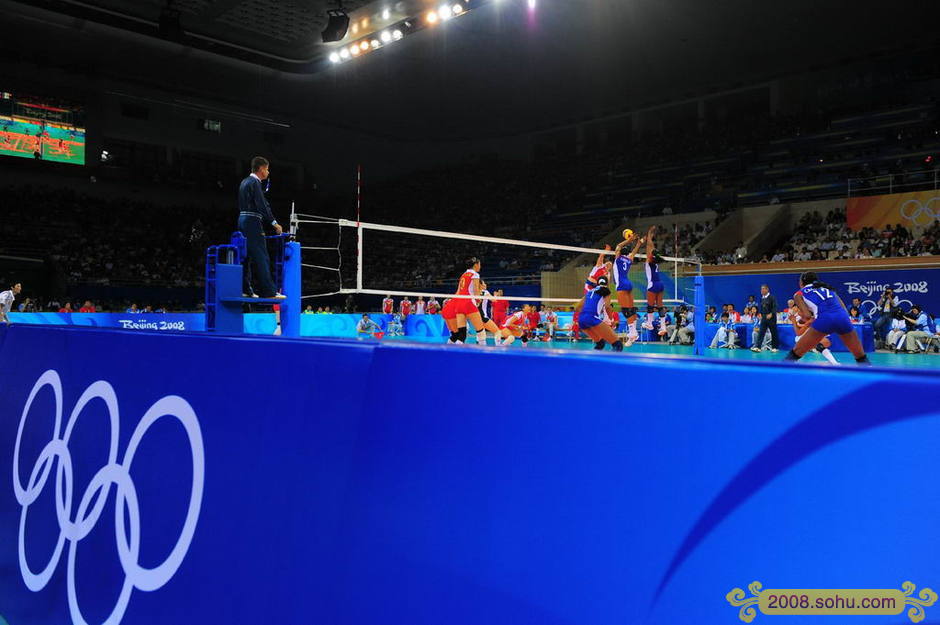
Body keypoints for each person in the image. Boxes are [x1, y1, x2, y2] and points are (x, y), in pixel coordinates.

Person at [784, 272, 869, 365]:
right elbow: (844, 309)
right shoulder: (828, 289)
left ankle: (779, 376)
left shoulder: (799, 294)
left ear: (801, 283)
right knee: (861, 357)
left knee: (795, 353)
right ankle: (873, 376)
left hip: (824, 319)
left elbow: (807, 316)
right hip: (842, 318)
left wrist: (806, 317)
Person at [238, 156, 285, 299]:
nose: (268, 172)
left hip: (242, 220)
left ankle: (246, 289)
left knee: (245, 256)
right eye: (267, 169)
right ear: (261, 169)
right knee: (261, 256)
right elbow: (262, 205)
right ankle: (269, 291)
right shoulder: (255, 182)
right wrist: (273, 222)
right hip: (252, 221)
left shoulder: (244, 181)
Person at [573, 278, 624, 351]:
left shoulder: (590, 292)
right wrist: (611, 319)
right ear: (607, 283)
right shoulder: (606, 291)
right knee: (617, 344)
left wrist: (586, 313)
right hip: (592, 317)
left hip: (581, 319)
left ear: (597, 283)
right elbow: (607, 307)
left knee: (600, 343)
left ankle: (593, 361)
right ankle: (611, 361)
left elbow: (577, 307)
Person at [613, 233, 645, 345]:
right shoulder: (629, 259)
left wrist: (629, 240)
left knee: (626, 310)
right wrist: (639, 243)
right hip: (628, 284)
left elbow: (618, 246)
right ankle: (633, 334)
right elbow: (634, 252)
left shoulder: (618, 258)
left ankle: (632, 333)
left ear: (620, 253)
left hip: (621, 285)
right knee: (631, 309)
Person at [751, 284, 779, 353]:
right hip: (764, 318)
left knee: (773, 332)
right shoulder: (762, 298)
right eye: (761, 289)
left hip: (771, 318)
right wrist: (760, 313)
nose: (762, 290)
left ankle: (775, 347)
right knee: (761, 332)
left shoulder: (772, 297)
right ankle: (758, 347)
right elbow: (761, 307)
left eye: (763, 289)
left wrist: (771, 313)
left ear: (767, 289)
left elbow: (775, 306)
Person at [644, 226, 666, 311]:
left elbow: (649, 246)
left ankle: (649, 323)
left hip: (652, 284)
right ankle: (663, 324)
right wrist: (650, 237)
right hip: (660, 284)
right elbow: (651, 247)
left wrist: (649, 232)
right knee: (660, 306)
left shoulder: (649, 261)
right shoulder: (656, 261)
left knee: (650, 306)